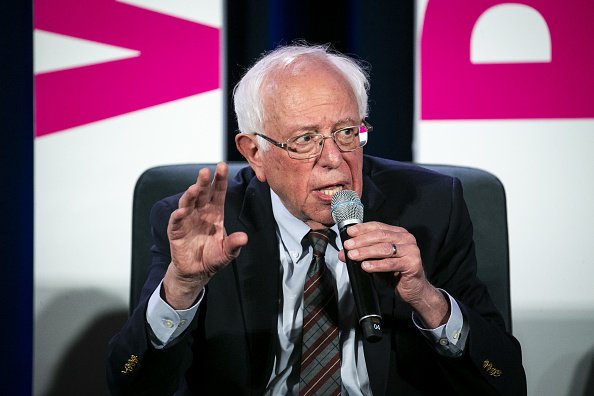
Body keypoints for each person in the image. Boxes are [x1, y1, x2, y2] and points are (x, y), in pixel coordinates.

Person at [107, 44, 526, 395]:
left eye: (347, 132)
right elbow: (130, 385)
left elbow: (506, 383)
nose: (334, 160)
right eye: (305, 140)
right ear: (254, 153)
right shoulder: (204, 226)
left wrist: (426, 298)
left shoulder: (431, 208)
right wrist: (182, 288)